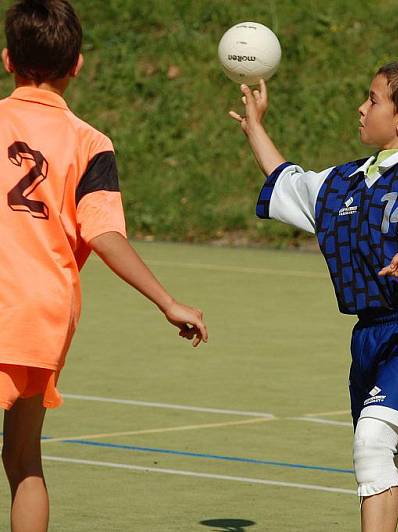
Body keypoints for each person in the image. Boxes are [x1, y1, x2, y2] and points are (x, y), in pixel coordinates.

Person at [230, 62, 398, 532]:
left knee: (371, 446)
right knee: (386, 457)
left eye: (373, 99)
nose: (362, 107)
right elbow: (288, 181)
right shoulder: (344, 180)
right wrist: (256, 128)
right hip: (368, 333)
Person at [0, 1, 208, 530]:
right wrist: (168, 301)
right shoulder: (90, 143)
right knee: (24, 460)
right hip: (42, 312)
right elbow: (104, 232)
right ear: (78, 66)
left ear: (7, 60)